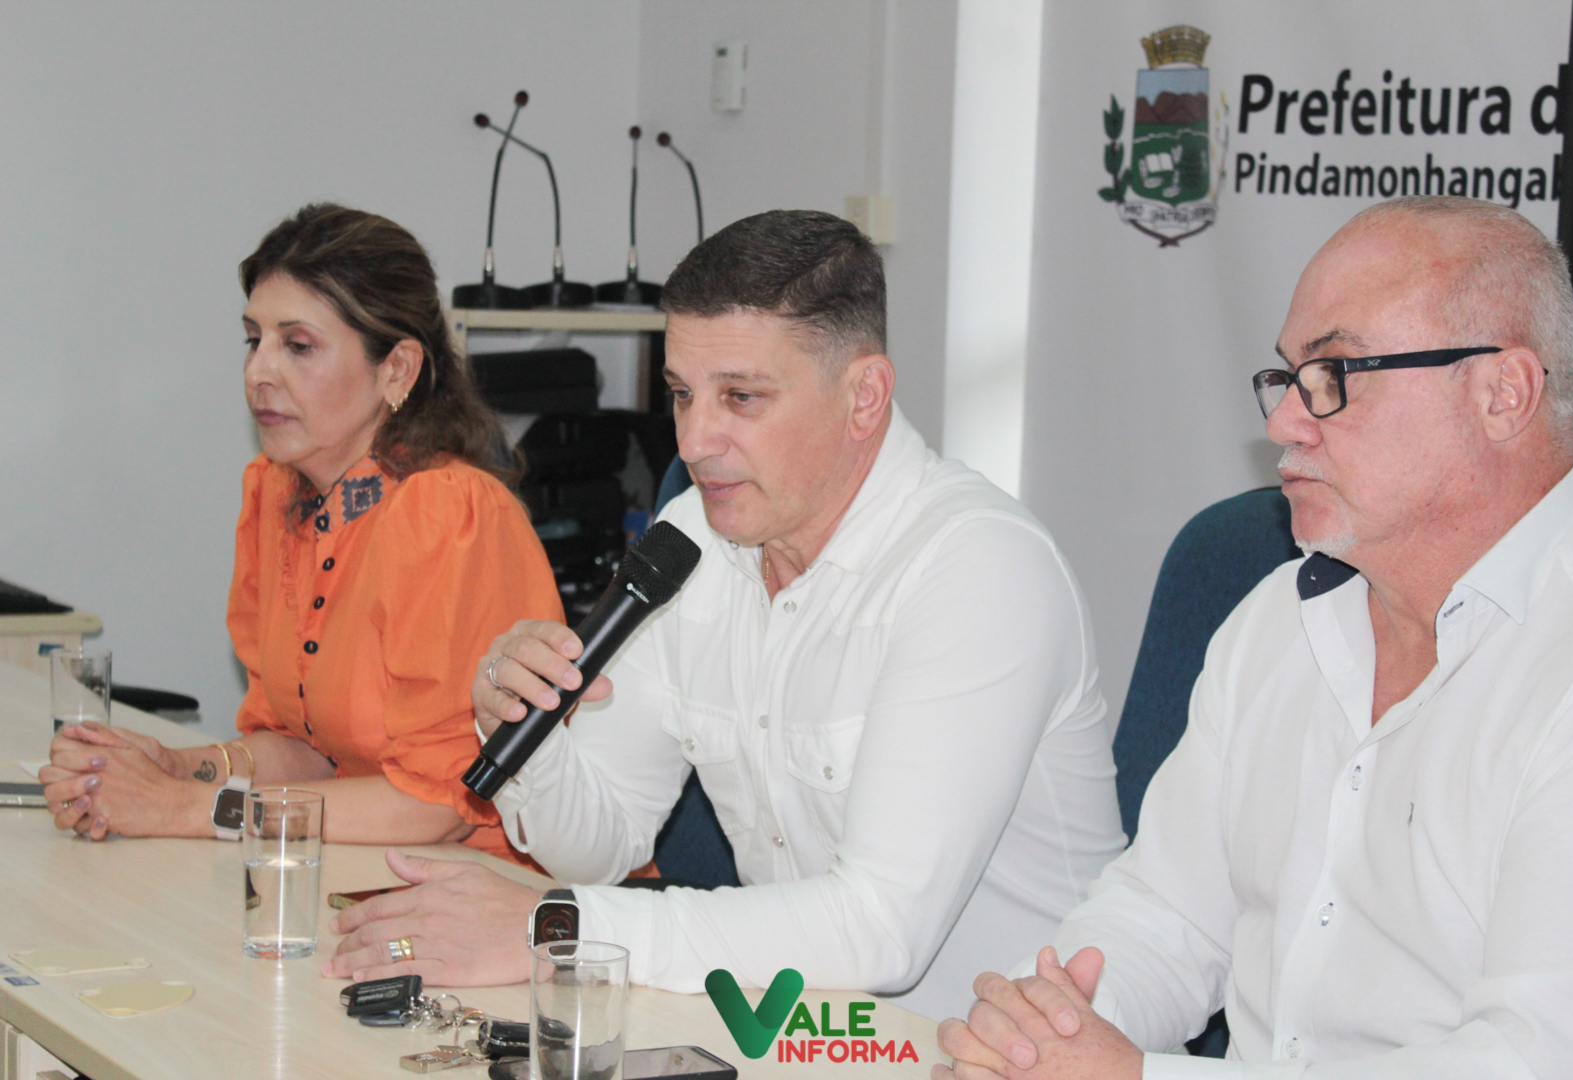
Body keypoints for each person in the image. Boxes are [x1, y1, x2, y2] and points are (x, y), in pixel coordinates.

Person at [324, 209, 1126, 1020]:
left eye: (742, 397)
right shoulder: (691, 539)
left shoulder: (979, 567)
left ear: (864, 397)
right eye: (681, 394)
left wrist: (553, 926)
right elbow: (602, 844)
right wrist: (526, 732)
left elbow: (882, 931)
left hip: (996, 1050)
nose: (695, 441)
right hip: (801, 1030)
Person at [936, 195, 1573, 1079]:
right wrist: (1048, 1035)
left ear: (1503, 394)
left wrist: (1137, 1078)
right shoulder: (1277, 616)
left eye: (1333, 374)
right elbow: (1164, 915)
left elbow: (1544, 1059)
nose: (1283, 423)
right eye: (1287, 377)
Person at [40, 204, 564, 866]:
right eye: (253, 339)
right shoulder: (278, 492)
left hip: (493, 883)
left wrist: (186, 807)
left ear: (397, 370)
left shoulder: (449, 514)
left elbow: (441, 806)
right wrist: (174, 766)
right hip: (357, 864)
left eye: (298, 345)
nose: (259, 372)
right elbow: (306, 749)